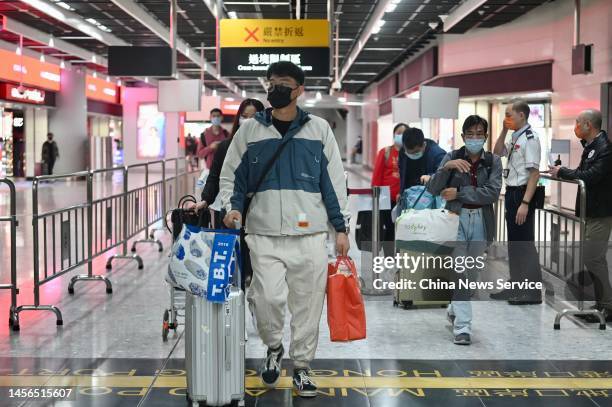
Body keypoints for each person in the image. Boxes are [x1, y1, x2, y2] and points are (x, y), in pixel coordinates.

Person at [219, 61, 350, 398]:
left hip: (308, 236)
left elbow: (334, 182)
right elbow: (232, 173)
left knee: (307, 305)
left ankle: (302, 367)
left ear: (298, 90)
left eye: (283, 83)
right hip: (262, 234)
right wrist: (231, 207)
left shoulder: (319, 129)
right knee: (267, 298)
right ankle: (274, 345)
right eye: (271, 82)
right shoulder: (250, 130)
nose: (274, 87)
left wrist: (341, 227)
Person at [427, 115, 502, 345]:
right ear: (463, 136)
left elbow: (492, 192)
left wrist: (459, 193)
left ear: (486, 137)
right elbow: (433, 189)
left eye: (480, 134)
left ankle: (454, 307)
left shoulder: (493, 161)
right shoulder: (451, 157)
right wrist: (445, 168)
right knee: (460, 271)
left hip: (481, 220)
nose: (475, 138)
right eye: (470, 134)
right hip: (455, 220)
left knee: (471, 274)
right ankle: (463, 328)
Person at [549, 109, 612, 322]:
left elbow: (591, 176)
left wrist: (563, 172)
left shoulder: (604, 149)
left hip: (600, 213)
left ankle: (608, 306)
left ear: (588, 125)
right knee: (592, 257)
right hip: (590, 212)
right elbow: (582, 172)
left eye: (577, 122)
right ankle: (603, 303)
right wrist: (565, 171)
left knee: (594, 258)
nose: (575, 126)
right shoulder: (591, 147)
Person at [491, 100, 542, 305]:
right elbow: (496, 152)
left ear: (522, 115)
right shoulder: (515, 136)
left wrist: (525, 202)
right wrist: (503, 131)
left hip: (522, 194)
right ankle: (516, 285)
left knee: (525, 244)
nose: (507, 118)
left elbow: (534, 173)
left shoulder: (530, 138)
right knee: (514, 244)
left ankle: (532, 292)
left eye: (509, 114)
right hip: (511, 193)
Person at [192, 98, 265, 227]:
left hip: (260, 212)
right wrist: (205, 200)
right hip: (230, 211)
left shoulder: (268, 147)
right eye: (244, 116)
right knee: (228, 245)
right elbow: (215, 176)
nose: (248, 120)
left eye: (253, 117)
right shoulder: (226, 146)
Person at [371, 123, 408, 255]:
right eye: (399, 132)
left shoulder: (410, 154)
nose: (401, 135)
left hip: (404, 199)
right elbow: (377, 176)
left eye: (404, 132)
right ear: (394, 135)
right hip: (386, 197)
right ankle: (389, 257)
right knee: (389, 228)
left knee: (403, 229)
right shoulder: (385, 152)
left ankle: (401, 255)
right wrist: (376, 196)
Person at [398, 127, 446, 196]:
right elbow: (402, 175)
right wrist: (401, 193)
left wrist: (431, 177)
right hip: (410, 195)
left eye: (416, 152)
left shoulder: (437, 154)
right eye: (409, 153)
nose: (412, 155)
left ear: (424, 145)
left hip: (430, 196)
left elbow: (445, 176)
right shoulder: (403, 152)